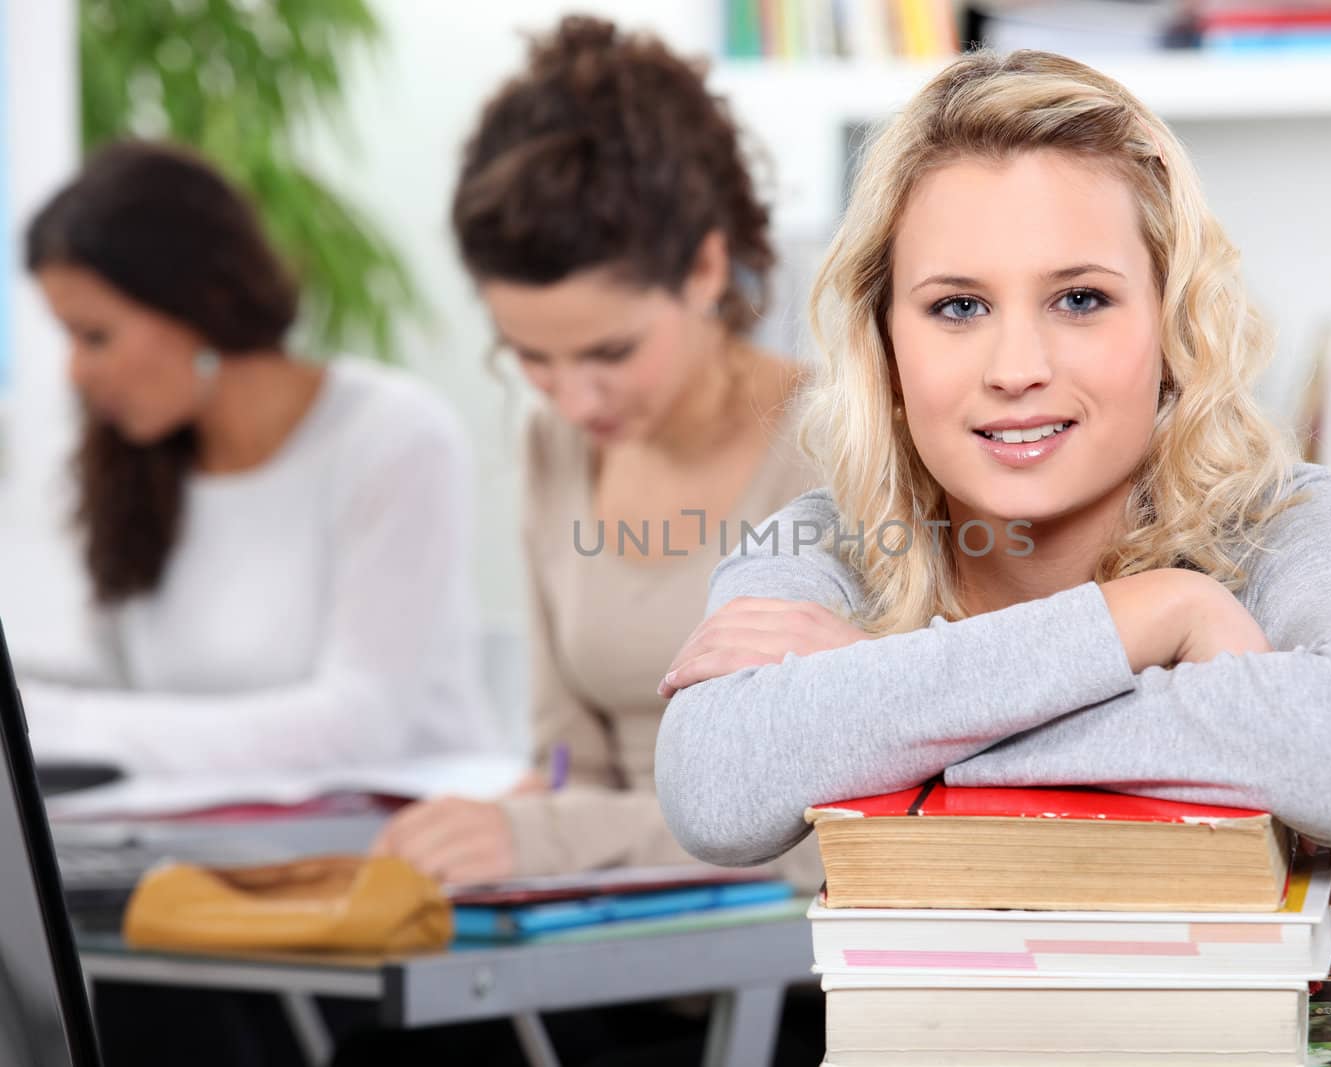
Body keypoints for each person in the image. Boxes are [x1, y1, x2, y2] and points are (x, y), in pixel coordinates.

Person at [654, 50, 1331, 1067]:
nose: (1017, 369)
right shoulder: (826, 542)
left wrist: (883, 702)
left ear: (1168, 322)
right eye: (957, 306)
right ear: (883, 342)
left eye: (1079, 299)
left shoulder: (1294, 525)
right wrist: (1150, 616)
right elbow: (713, 785)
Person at [372, 16, 821, 891]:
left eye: (610, 354)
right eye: (531, 358)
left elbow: (843, 829)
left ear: (704, 269)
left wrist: (551, 839)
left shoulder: (840, 450)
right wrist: (506, 822)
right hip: (603, 946)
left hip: (778, 988)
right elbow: (567, 770)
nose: (574, 401)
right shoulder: (557, 446)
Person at [20, 140, 494, 775]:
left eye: (95, 336)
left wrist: (57, 722)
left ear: (197, 303)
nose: (75, 372)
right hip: (190, 842)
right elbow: (119, 694)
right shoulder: (134, 465)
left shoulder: (393, 436)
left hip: (400, 844)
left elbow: (358, 725)